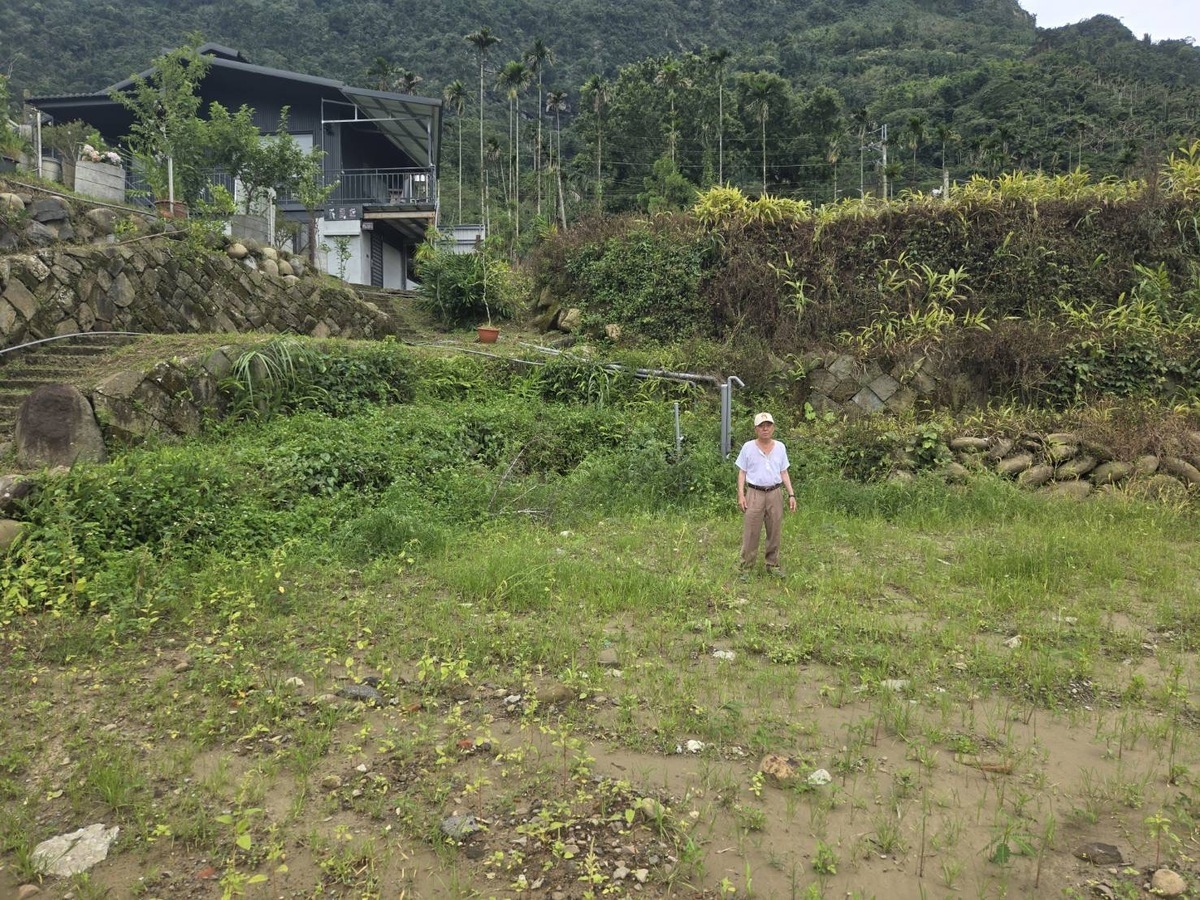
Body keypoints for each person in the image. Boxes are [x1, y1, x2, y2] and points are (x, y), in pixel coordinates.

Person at [735, 412, 796, 577]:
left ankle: (773, 565)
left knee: (774, 530)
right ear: (756, 429)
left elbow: (784, 472)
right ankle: (746, 568)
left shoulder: (780, 447)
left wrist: (791, 494)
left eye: (768, 425)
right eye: (761, 426)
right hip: (754, 493)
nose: (765, 429)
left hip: (775, 492)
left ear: (773, 428)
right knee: (751, 531)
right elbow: (742, 472)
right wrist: (741, 495)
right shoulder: (748, 447)